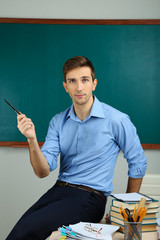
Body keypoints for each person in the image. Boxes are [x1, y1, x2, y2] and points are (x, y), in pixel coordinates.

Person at [6, 56, 147, 240]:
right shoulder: (58, 121)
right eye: (72, 81)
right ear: (65, 86)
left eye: (84, 80)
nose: (79, 87)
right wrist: (32, 139)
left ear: (94, 84)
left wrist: (126, 209)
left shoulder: (116, 120)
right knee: (18, 231)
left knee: (26, 234)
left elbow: (138, 163)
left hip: (89, 198)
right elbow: (42, 171)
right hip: (57, 192)